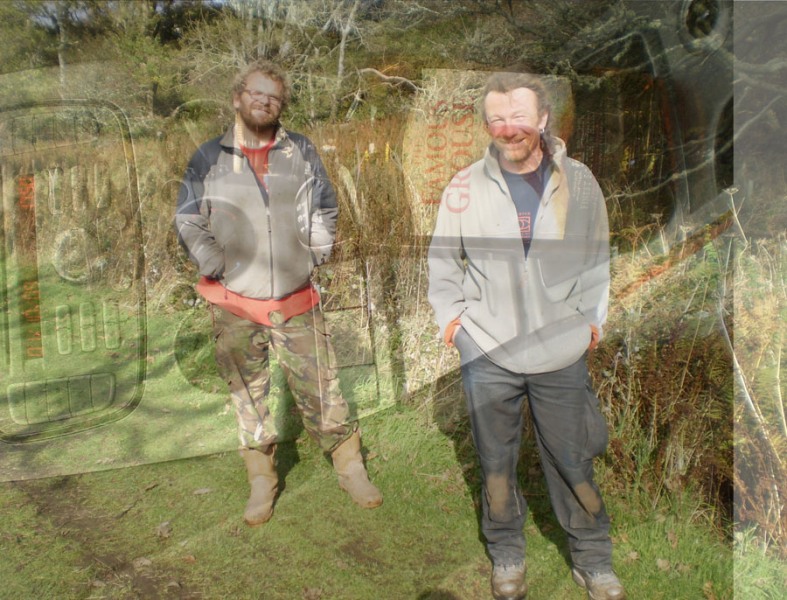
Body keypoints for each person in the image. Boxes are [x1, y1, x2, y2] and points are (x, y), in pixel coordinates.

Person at [428, 72, 624, 600]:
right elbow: (443, 261)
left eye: (518, 116)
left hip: (561, 348)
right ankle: (507, 554)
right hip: (488, 349)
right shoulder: (464, 186)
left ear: (542, 118)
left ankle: (593, 559)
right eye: (497, 118)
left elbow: (598, 255)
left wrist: (591, 321)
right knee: (496, 462)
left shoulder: (579, 181)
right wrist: (454, 325)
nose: (508, 127)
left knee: (572, 460)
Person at [174, 59, 382, 526]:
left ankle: (351, 468)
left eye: (273, 96)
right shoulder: (208, 157)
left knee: (323, 389)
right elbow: (188, 218)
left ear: (281, 104)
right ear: (237, 98)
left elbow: (326, 206)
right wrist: (215, 264)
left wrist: (315, 252)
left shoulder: (300, 150)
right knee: (248, 397)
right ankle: (262, 481)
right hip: (235, 304)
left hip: (295, 298)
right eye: (256, 93)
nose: (264, 102)